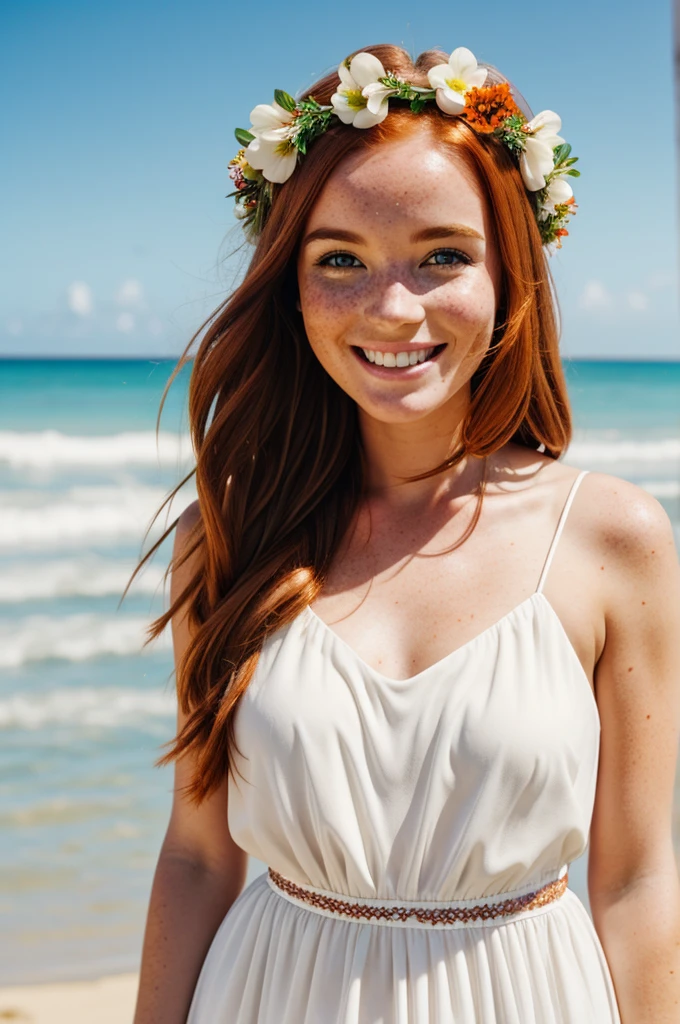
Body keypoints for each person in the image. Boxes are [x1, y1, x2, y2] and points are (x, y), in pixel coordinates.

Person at [131, 43, 680, 1024]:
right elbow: (196, 855)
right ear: (290, 286)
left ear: (508, 271)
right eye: (339, 258)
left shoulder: (612, 541)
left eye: (440, 255)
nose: (392, 306)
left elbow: (635, 880)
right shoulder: (228, 535)